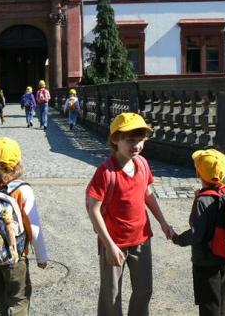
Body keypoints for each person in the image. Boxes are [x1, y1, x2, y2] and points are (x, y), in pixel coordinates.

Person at [86, 112, 175, 316]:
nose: (136, 145)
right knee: (112, 295)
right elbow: (94, 209)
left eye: (140, 140)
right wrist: (108, 245)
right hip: (114, 242)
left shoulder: (142, 164)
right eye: (130, 140)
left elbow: (148, 194)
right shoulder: (106, 172)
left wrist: (162, 222)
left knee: (144, 290)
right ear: (116, 139)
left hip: (141, 239)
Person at [0, 137, 48, 315]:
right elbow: (33, 226)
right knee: (19, 298)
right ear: (18, 162)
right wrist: (41, 257)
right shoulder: (22, 190)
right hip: (15, 256)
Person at [171, 149, 225, 316]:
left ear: (199, 173)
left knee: (208, 305)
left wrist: (178, 239)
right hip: (223, 257)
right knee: (219, 300)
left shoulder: (203, 201)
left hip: (205, 262)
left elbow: (196, 234)